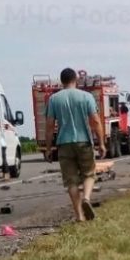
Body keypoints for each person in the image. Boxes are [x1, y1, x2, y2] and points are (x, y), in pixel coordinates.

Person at [45, 68, 106, 222]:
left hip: (64, 143)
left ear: (62, 81)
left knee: (71, 181)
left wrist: (48, 148)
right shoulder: (86, 97)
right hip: (84, 141)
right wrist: (101, 143)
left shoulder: (54, 99)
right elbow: (95, 121)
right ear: (76, 79)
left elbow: (50, 125)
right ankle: (86, 197)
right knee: (89, 174)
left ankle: (79, 216)